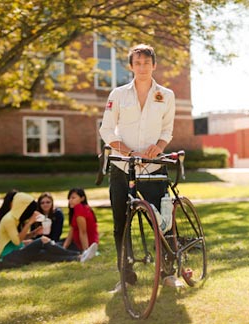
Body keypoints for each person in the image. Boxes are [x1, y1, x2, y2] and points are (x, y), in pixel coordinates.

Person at [98, 44, 177, 292]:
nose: (142, 67)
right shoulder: (118, 95)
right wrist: (129, 153)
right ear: (131, 66)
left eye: (146, 62)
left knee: (163, 222)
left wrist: (159, 146)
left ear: (154, 65)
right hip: (123, 168)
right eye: (137, 62)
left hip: (154, 168)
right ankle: (126, 277)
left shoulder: (166, 95)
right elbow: (106, 130)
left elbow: (167, 130)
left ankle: (168, 273)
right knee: (121, 224)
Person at [0, 192, 98, 266]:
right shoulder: (9, 219)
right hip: (8, 256)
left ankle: (78, 258)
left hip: (15, 252)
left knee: (44, 254)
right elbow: (16, 241)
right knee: (43, 240)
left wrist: (33, 233)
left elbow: (16, 239)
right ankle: (79, 254)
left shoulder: (14, 219)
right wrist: (30, 223)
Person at [63, 188, 99, 256]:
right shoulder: (79, 209)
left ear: (82, 198)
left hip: (84, 245)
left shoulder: (79, 208)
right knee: (55, 244)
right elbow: (71, 231)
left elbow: (83, 232)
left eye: (73, 198)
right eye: (69, 198)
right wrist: (64, 248)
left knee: (50, 247)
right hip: (77, 243)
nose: (70, 200)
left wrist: (86, 250)